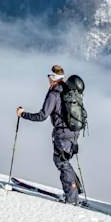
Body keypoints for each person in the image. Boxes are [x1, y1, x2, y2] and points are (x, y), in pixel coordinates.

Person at [16, 65, 82, 205]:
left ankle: (71, 197)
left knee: (61, 162)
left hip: (62, 132)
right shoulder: (68, 90)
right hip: (73, 131)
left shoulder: (54, 94)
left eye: (49, 76)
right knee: (64, 160)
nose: (47, 79)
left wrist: (23, 114)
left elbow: (42, 116)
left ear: (53, 78)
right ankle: (75, 190)